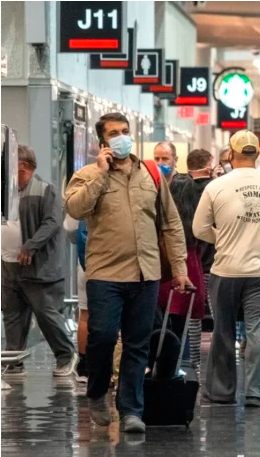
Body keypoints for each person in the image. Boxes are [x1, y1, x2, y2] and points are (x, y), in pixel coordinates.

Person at [65, 112, 190, 433]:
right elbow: (75, 209)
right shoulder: (86, 174)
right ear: (102, 142)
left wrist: (179, 268)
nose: (121, 137)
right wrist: (101, 176)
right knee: (103, 336)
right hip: (105, 272)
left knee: (138, 344)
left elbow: (171, 223)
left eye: (125, 131)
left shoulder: (151, 173)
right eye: (114, 133)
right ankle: (96, 392)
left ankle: (132, 409)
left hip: (145, 273)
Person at [193, 130, 260, 407]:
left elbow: (199, 228)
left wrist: (225, 237)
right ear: (258, 153)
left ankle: (221, 391)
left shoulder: (216, 187)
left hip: (225, 269)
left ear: (231, 153)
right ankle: (256, 392)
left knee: (223, 331)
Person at [1, 145, 77, 377]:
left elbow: (52, 223)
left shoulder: (46, 190)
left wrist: (30, 246)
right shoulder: (6, 191)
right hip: (8, 265)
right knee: (12, 315)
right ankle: (14, 362)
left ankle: (66, 355)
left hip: (39, 268)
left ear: (22, 167)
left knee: (46, 314)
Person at [155, 174, 206, 370]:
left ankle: (165, 366)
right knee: (186, 326)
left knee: (164, 324)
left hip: (168, 273)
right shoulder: (197, 218)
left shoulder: (164, 218)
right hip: (192, 272)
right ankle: (187, 367)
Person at [187, 148, 216, 371]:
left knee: (191, 313)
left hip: (190, 259)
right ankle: (218, 360)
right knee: (218, 314)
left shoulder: (180, 187)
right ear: (209, 165)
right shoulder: (214, 190)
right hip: (212, 261)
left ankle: (192, 360)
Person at [64, 214, 90, 383]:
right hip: (120, 265)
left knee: (86, 313)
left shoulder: (82, 188)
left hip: (87, 260)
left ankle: (85, 366)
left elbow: (71, 227)